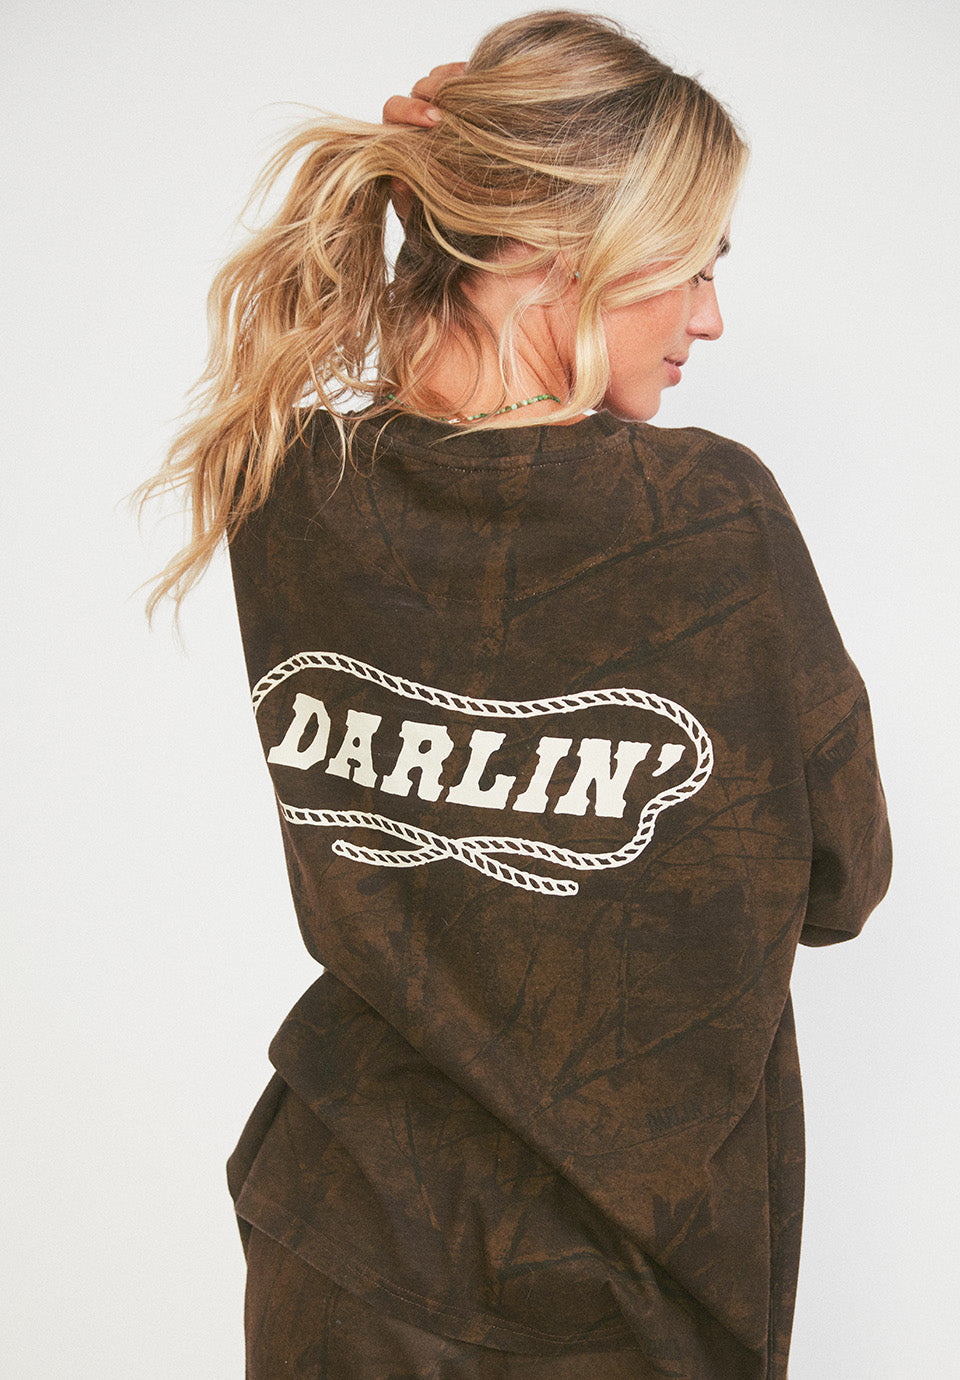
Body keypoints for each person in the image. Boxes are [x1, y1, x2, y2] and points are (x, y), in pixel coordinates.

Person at [142, 11, 892, 1377]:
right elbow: (843, 879)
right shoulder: (710, 515)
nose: (710, 316)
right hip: (629, 1284)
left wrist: (468, 187)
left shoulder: (285, 485)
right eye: (693, 262)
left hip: (346, 1241)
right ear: (557, 248)